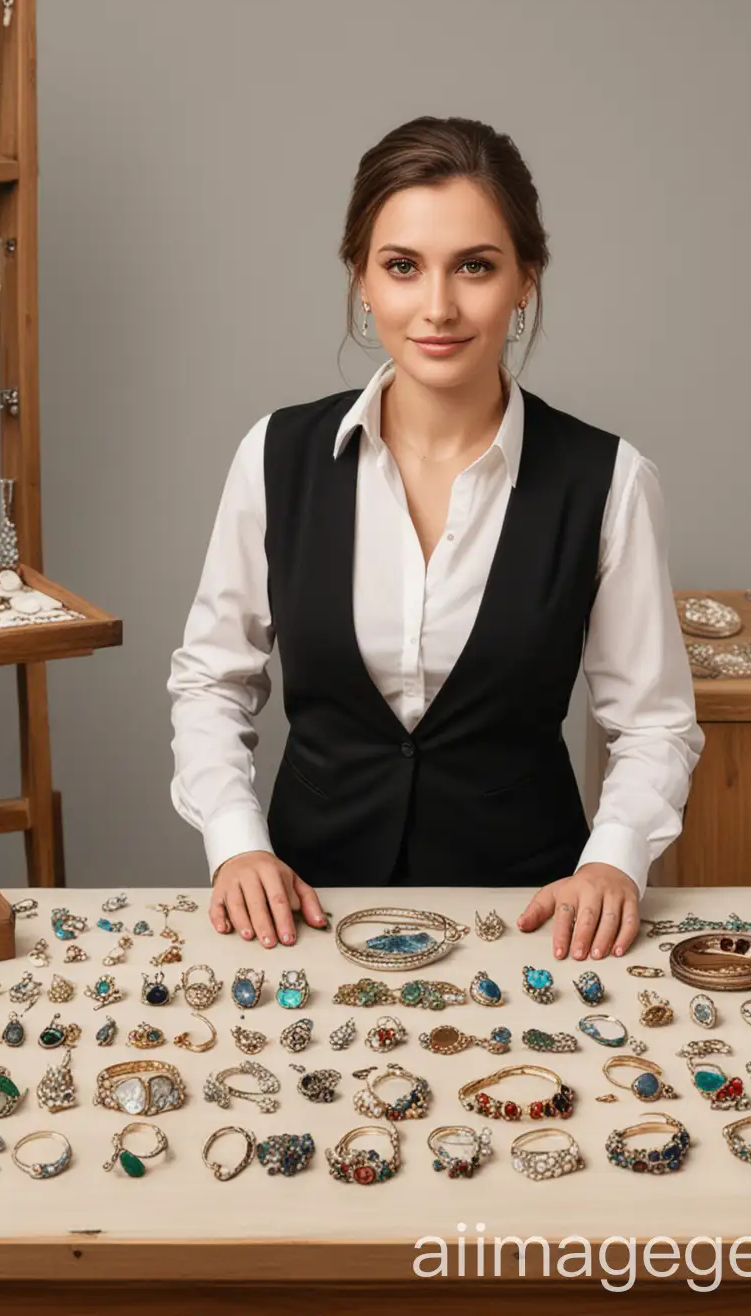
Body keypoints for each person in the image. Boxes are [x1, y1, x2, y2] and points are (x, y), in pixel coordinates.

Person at [168, 115, 703, 963]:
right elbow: (211, 680)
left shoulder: (610, 481)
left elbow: (653, 724)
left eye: (477, 267)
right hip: (306, 917)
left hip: (533, 923)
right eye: (403, 267)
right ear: (363, 280)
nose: (439, 307)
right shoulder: (275, 456)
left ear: (526, 279)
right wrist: (236, 843)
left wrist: (613, 863)